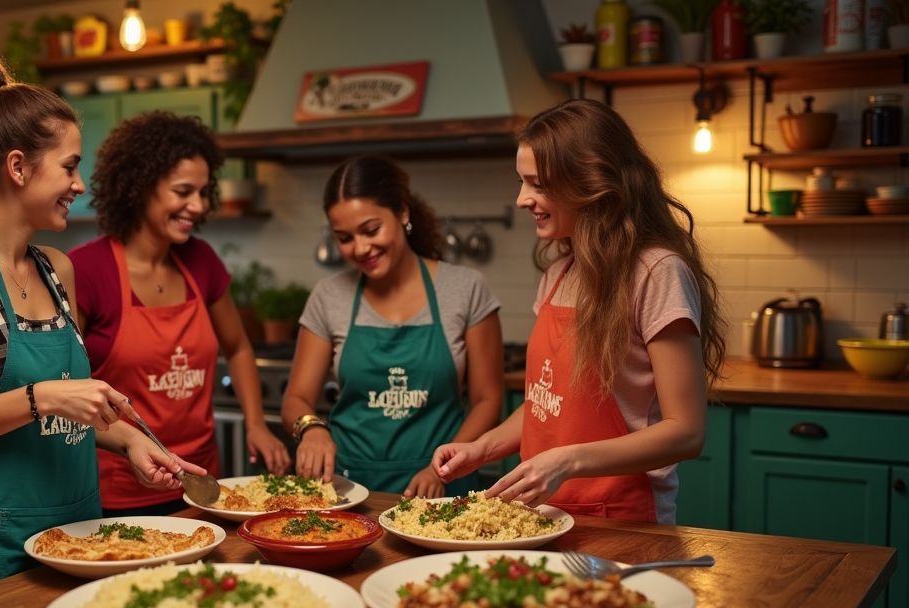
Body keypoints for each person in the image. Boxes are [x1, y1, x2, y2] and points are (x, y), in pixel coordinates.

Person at [0, 62, 205, 594]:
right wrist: (38, 397)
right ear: (18, 167)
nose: (79, 185)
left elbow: (64, 410)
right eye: (69, 167)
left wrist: (128, 442)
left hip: (82, 539)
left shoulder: (58, 269)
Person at [432, 98, 727, 524]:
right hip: (537, 519)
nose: (521, 199)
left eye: (537, 184)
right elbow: (546, 404)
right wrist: (483, 448)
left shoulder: (657, 272)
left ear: (590, 181)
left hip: (621, 517)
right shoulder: (558, 272)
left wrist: (564, 462)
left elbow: (686, 431)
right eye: (521, 182)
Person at [70, 110, 291, 516]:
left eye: (204, 193)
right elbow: (67, 386)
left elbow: (239, 347)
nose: (198, 205)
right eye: (183, 191)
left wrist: (256, 424)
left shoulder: (201, 262)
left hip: (200, 487)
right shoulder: (87, 271)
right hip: (119, 491)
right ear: (140, 186)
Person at [282, 155, 504, 498]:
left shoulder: (464, 289)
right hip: (348, 488)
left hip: (445, 487)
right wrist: (311, 430)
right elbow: (296, 398)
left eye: (371, 230)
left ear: (402, 212)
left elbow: (488, 399)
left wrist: (441, 468)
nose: (360, 248)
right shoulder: (329, 296)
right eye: (344, 238)